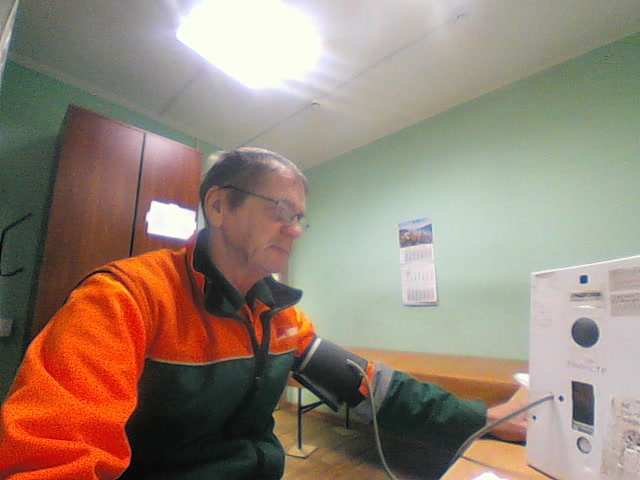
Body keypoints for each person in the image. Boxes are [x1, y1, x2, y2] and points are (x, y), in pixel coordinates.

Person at [0, 147, 527, 479]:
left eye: (300, 217)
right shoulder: (125, 298)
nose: (294, 230)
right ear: (219, 206)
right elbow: (52, 454)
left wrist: (487, 418)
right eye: (279, 211)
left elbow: (368, 386)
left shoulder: (280, 317)